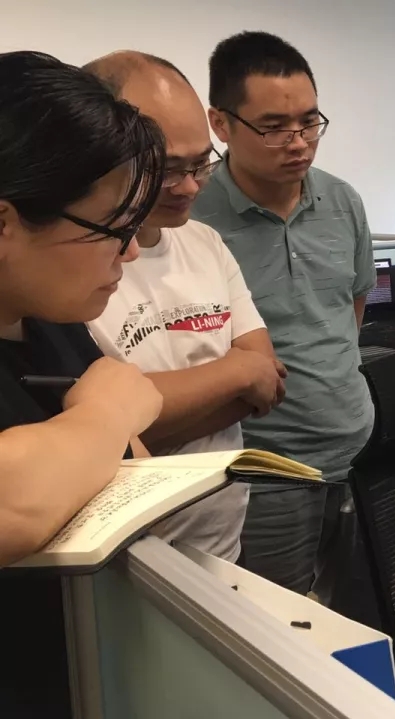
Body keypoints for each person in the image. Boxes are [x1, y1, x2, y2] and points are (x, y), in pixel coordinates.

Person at [0, 51, 165, 717]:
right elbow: (14, 502)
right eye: (113, 230)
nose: (132, 252)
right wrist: (107, 409)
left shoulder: (50, 322)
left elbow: (130, 474)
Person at [191, 31, 376, 603]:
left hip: (361, 450)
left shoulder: (342, 201)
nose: (298, 143)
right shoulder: (192, 218)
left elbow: (351, 310)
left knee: (364, 611)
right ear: (221, 124)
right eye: (273, 126)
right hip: (264, 467)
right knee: (278, 623)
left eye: (310, 122)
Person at [83, 51, 286, 563]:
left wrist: (153, 414)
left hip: (222, 541)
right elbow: (95, 428)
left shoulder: (205, 243)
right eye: (168, 169)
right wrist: (235, 372)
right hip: (127, 557)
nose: (191, 185)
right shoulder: (76, 268)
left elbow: (266, 381)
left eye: (201, 164)